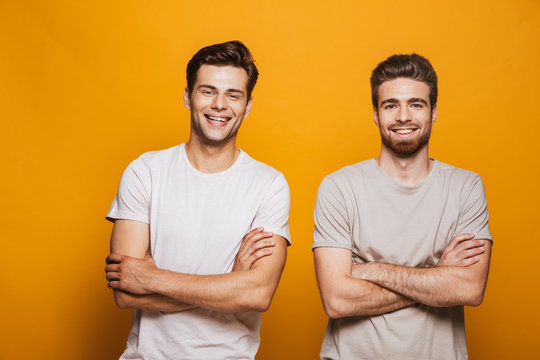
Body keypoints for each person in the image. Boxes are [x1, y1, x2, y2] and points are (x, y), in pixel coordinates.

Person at [104, 40, 290, 359]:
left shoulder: (269, 184)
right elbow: (125, 293)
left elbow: (258, 293)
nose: (219, 104)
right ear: (188, 97)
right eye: (208, 91)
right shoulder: (144, 172)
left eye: (233, 95)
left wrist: (154, 278)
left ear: (247, 105)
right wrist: (231, 283)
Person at [313, 53, 492, 360]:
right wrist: (437, 276)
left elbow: (469, 289)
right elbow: (337, 300)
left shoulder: (465, 187)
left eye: (416, 104)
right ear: (375, 113)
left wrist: (369, 270)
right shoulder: (339, 188)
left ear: (433, 112)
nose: (403, 116)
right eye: (391, 105)